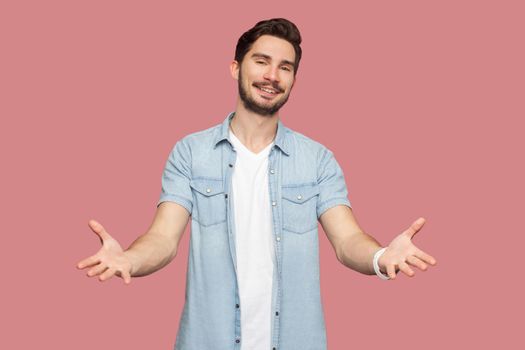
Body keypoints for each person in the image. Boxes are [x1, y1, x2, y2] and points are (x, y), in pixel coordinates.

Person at [77, 18, 436, 350]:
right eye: (261, 61)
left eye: (285, 67)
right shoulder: (191, 153)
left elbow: (348, 241)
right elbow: (162, 238)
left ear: (294, 79)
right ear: (236, 68)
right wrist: (129, 259)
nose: (272, 76)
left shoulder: (318, 160)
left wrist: (379, 257)